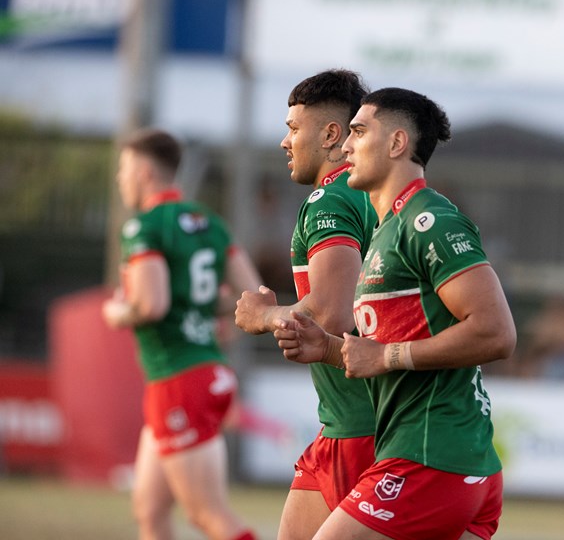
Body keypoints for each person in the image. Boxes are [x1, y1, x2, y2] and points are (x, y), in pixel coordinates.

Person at [274, 87, 517, 540]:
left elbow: (496, 334)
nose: (346, 146)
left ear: (397, 144)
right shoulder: (387, 229)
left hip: (432, 457)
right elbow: (386, 350)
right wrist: (326, 347)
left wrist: (387, 358)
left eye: (359, 132)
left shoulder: (430, 219)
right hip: (435, 457)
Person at [233, 69, 377, 540]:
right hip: (342, 421)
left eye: (294, 128)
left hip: (362, 422)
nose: (284, 141)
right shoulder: (367, 196)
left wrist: (263, 316)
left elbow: (334, 312)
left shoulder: (330, 198)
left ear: (331, 134)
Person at [102, 128, 262, 540]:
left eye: (122, 169)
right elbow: (255, 295)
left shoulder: (145, 227)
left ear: (142, 172)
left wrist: (117, 312)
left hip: (178, 382)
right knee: (150, 509)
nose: (120, 179)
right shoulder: (210, 222)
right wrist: (204, 311)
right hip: (206, 372)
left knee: (208, 516)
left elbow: (150, 306)